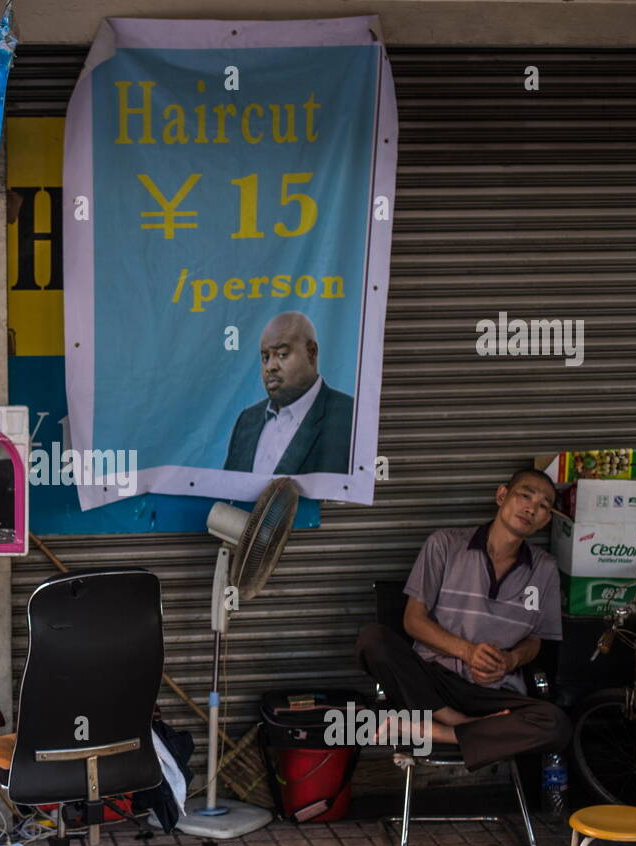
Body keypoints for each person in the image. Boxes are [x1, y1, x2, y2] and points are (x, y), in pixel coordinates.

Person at [354, 469, 571, 769]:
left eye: (544, 505)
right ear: (501, 496)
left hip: (493, 692)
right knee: (372, 638)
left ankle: (437, 731)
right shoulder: (445, 544)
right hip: (433, 681)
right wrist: (468, 652)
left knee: (556, 724)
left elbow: (537, 640)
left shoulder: (545, 569)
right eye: (525, 495)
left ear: (546, 520)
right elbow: (413, 621)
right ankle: (460, 723)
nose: (532, 508)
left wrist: (509, 661)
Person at [223, 311, 354, 476]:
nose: (270, 366)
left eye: (282, 354)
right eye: (265, 357)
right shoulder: (247, 420)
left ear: (311, 352)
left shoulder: (350, 417)